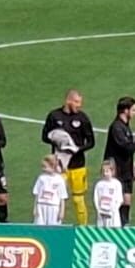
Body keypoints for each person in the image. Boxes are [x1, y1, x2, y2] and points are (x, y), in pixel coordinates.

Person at [43, 89, 96, 225]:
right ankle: (55, 225)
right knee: (56, 198)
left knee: (78, 200)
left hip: (78, 166)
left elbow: (91, 142)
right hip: (59, 166)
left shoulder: (83, 118)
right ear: (68, 101)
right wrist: (59, 142)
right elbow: (45, 136)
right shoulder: (54, 116)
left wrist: (77, 149)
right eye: (77, 102)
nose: (79, 105)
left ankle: (83, 228)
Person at [102, 96, 135, 226]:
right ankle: (117, 227)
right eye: (134, 110)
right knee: (118, 202)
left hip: (125, 170)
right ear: (125, 111)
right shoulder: (116, 128)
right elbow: (128, 149)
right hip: (116, 171)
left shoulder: (124, 126)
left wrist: (133, 165)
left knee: (127, 201)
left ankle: (124, 225)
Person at [32, 155, 69, 226]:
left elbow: (62, 197)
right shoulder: (41, 178)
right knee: (39, 226)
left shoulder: (59, 180)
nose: (43, 169)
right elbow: (37, 194)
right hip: (41, 206)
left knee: (53, 227)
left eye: (45, 167)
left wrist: (62, 211)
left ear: (53, 167)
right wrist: (35, 208)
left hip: (54, 207)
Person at [94, 160, 124, 228]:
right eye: (103, 171)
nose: (105, 173)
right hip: (101, 214)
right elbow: (96, 198)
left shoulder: (117, 184)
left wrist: (113, 210)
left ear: (112, 171)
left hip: (113, 215)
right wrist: (98, 209)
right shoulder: (99, 184)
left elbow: (120, 200)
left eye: (107, 171)